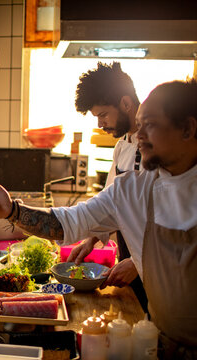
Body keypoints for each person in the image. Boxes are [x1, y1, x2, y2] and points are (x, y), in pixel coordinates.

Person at [0, 78, 197, 358]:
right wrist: (12, 211)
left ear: (187, 128)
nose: (139, 136)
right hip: (160, 345)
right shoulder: (131, 191)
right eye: (139, 125)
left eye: (150, 125)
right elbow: (67, 222)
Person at [70, 62, 148, 312]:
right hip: (129, 257)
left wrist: (139, 263)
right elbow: (112, 204)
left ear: (126, 104)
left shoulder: (160, 146)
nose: (101, 124)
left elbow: (172, 221)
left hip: (157, 266)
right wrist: (91, 239)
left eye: (103, 115)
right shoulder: (121, 147)